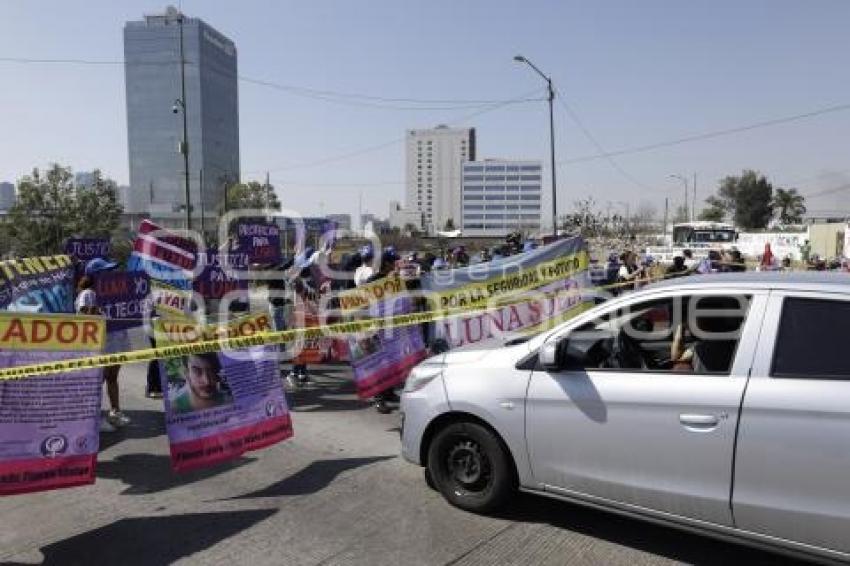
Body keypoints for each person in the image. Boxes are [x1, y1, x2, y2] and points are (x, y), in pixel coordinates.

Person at [75, 258, 131, 433]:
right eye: (106, 271)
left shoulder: (115, 291)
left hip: (115, 341)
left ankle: (115, 412)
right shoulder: (88, 294)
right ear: (96, 275)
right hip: (99, 344)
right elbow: (85, 319)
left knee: (112, 377)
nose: (111, 274)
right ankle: (92, 418)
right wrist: (98, 309)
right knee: (96, 380)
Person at [366, 247, 401, 414]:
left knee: (392, 360)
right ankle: (379, 397)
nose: (395, 265)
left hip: (391, 326)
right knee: (380, 363)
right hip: (377, 327)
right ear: (386, 263)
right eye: (393, 262)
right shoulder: (373, 280)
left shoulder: (392, 278)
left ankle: (389, 392)